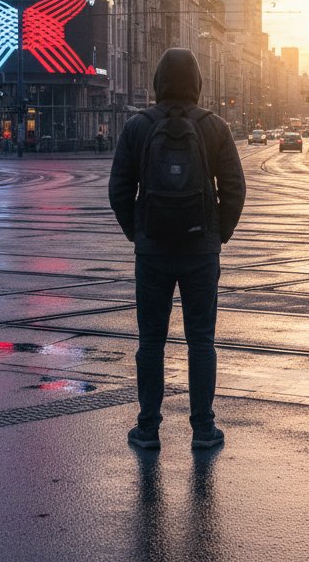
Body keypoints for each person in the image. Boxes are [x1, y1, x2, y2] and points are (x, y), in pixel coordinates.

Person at [109, 48, 246, 452]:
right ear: (198, 84)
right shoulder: (215, 127)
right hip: (200, 250)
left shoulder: (137, 127)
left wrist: (138, 234)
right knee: (201, 340)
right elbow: (235, 189)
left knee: (151, 340)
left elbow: (119, 190)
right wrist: (217, 234)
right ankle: (203, 429)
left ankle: (148, 429)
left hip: (152, 251)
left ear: (158, 83)